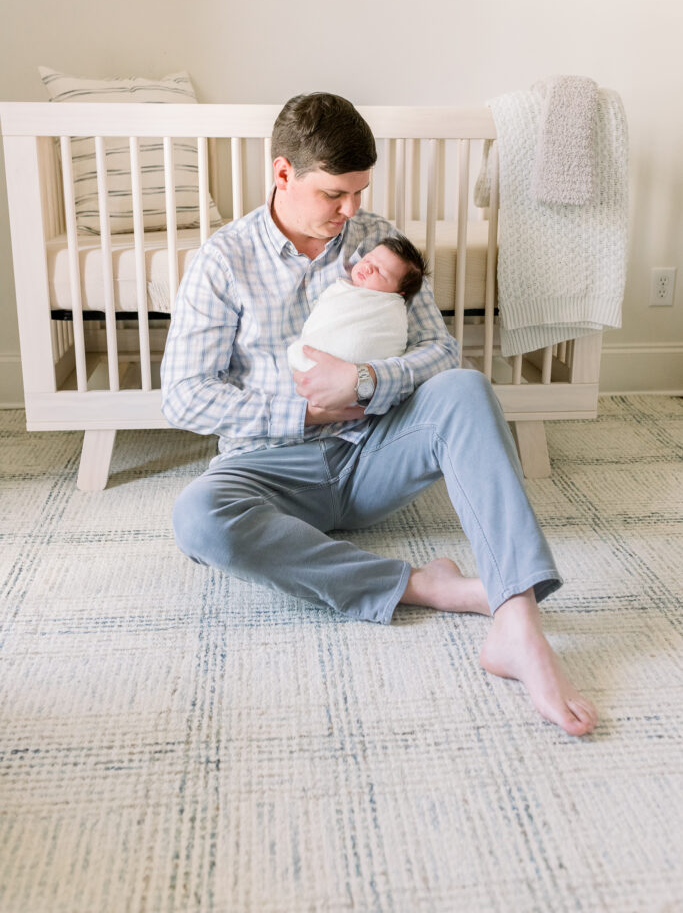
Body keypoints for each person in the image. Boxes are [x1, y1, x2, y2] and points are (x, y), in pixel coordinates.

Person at [161, 92, 598, 737]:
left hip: (374, 453)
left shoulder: (375, 241)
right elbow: (186, 395)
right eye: (336, 194)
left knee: (467, 388)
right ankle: (426, 587)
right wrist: (307, 410)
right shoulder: (221, 263)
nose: (351, 211)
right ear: (283, 174)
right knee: (199, 517)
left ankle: (518, 622)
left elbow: (441, 350)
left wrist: (363, 381)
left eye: (360, 192)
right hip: (271, 470)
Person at [287, 236, 426, 372]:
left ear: (399, 293)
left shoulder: (389, 307)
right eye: (368, 259)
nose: (368, 268)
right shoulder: (342, 289)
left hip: (363, 371)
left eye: (380, 271)